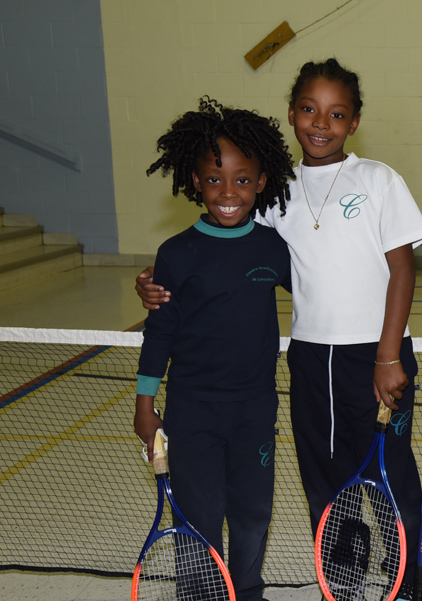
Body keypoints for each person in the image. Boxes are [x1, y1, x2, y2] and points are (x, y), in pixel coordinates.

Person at [135, 58, 422, 600]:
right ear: (291, 114)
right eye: (309, 109)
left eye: (336, 114)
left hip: (378, 355)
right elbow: (231, 249)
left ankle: (407, 576)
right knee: (324, 475)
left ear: (354, 121)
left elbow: (403, 269)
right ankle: (340, 574)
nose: (321, 123)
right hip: (310, 357)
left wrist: (389, 355)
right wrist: (159, 282)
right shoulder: (275, 190)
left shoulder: (378, 179)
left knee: (390, 473)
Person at [133, 97, 295, 601]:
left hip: (255, 409)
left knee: (252, 513)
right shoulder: (176, 253)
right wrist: (144, 402)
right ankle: (200, 594)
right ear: (195, 181)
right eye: (214, 179)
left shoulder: (274, 247)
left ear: (261, 181)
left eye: (242, 180)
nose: (228, 193)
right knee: (198, 517)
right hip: (192, 411)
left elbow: (320, 293)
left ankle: (247, 592)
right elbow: (160, 331)